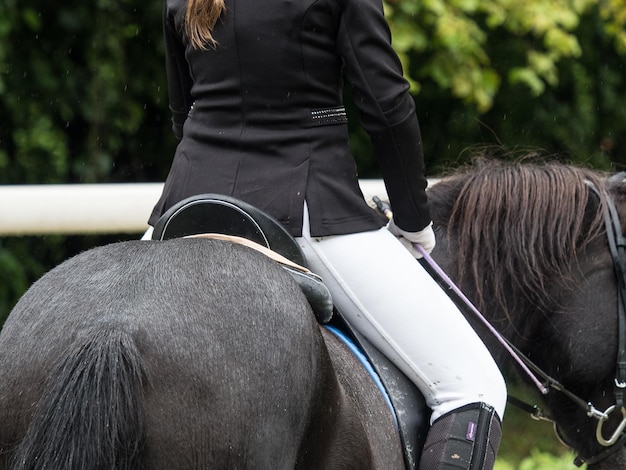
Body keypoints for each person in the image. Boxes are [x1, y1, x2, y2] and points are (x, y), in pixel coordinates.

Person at [146, 0, 507, 467]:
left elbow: (183, 111)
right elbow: (386, 106)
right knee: (472, 385)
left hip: (188, 210)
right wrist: (414, 221)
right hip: (305, 205)